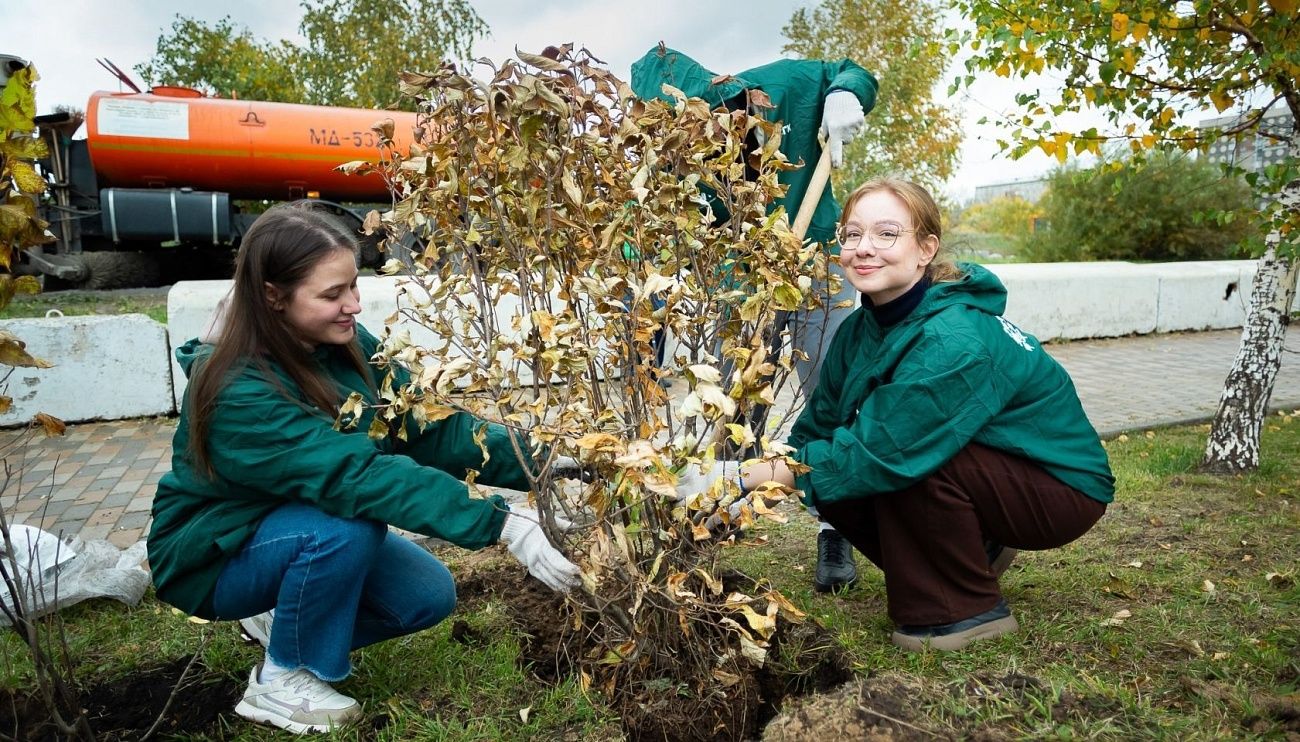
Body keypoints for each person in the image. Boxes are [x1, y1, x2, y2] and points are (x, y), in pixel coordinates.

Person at [146, 203, 581, 734]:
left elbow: (428, 426)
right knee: (347, 524)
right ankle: (281, 681)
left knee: (424, 597)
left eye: (353, 284)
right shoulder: (238, 393)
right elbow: (358, 477)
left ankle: (280, 620)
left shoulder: (340, 343)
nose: (353, 304)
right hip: (212, 553)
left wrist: (550, 460)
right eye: (332, 294)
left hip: (282, 521)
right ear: (272, 296)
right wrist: (502, 522)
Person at [679, 179, 1114, 651]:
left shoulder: (952, 338)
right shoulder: (861, 328)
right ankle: (971, 551)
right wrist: (745, 493)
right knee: (831, 473)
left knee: (893, 460)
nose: (864, 249)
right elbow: (819, 429)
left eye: (887, 234)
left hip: (1057, 489)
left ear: (925, 249)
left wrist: (739, 476)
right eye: (851, 234)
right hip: (996, 471)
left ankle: (962, 613)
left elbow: (883, 449)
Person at [630, 46, 878, 592]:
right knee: (737, 396)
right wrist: (644, 335)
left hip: (815, 264)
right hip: (738, 280)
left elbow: (850, 70)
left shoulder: (789, 82)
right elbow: (643, 242)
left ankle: (837, 527)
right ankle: (729, 505)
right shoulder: (672, 160)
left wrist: (846, 95)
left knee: (833, 391)